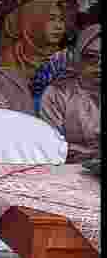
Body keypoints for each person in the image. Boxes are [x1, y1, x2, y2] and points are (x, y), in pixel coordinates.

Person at [40, 25, 100, 163]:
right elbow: (50, 144)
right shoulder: (57, 93)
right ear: (78, 57)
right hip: (71, 169)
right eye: (91, 57)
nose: (99, 64)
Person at [0, 0, 67, 82]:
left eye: (61, 20)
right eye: (51, 19)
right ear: (31, 23)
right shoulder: (5, 62)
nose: (59, 26)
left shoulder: (65, 59)